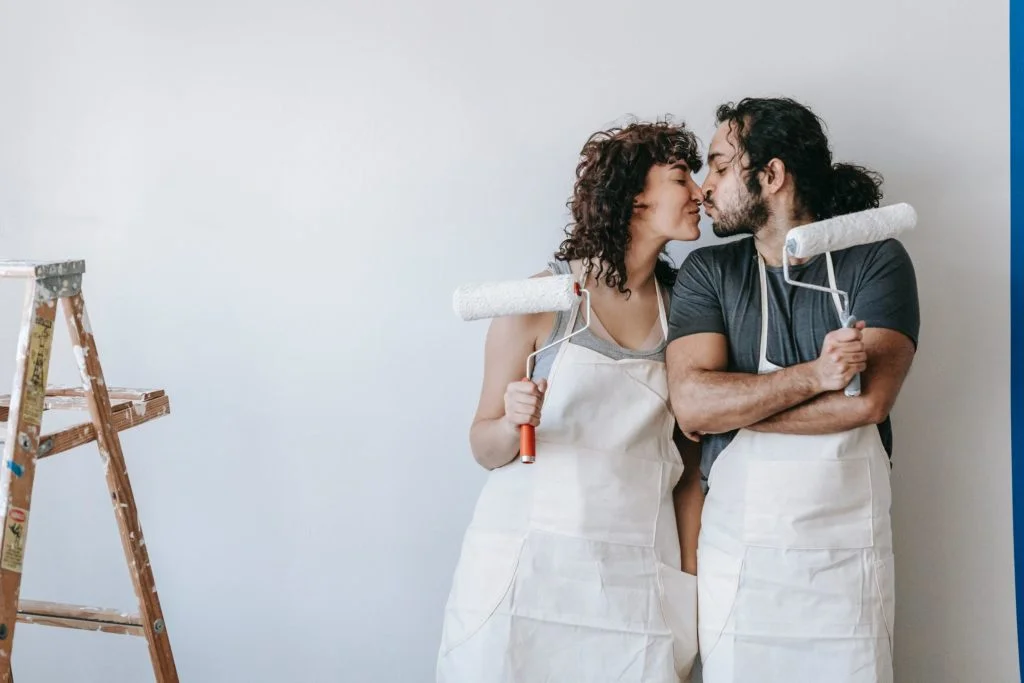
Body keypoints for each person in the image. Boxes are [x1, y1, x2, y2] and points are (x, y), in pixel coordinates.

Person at [437, 120, 707, 683]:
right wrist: (512, 423)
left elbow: (688, 473)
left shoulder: (685, 311)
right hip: (527, 575)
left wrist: (690, 588)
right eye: (682, 179)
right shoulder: (542, 300)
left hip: (634, 577)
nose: (700, 194)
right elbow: (482, 446)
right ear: (636, 194)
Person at [665, 97, 919, 683]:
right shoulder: (710, 273)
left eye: (719, 166)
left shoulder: (877, 261)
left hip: (846, 571)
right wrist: (814, 377)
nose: (706, 187)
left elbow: (868, 403)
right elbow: (692, 405)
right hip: (739, 565)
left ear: (771, 175)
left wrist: (738, 407)